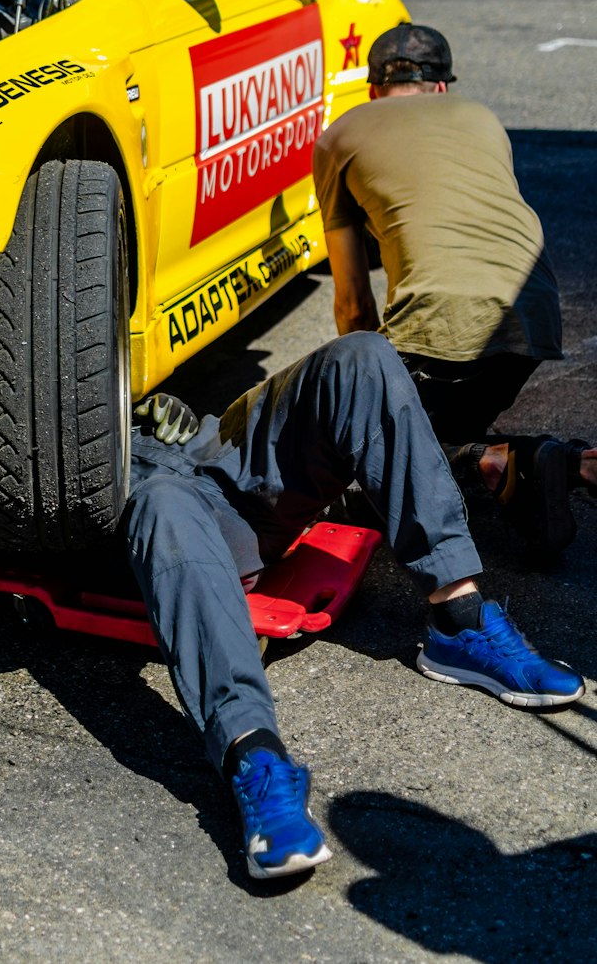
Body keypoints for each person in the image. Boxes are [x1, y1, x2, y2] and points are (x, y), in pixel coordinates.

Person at [128, 336, 584, 881]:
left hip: (204, 446)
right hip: (140, 494)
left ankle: (458, 621)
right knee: (162, 501)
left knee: (361, 357)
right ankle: (257, 757)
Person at [312, 22, 597, 554]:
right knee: (444, 422)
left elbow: (352, 300)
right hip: (533, 318)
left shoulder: (339, 137)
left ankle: (503, 463)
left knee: (363, 447)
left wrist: (367, 390)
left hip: (436, 332)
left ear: (374, 88)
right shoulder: (483, 119)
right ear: (443, 86)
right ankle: (569, 465)